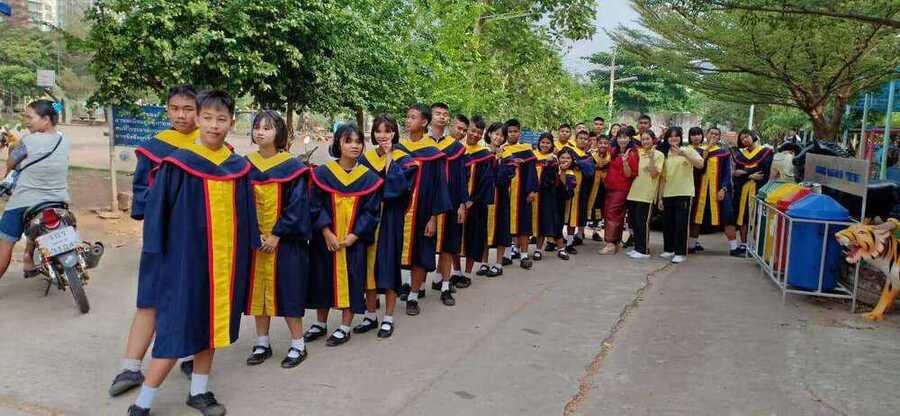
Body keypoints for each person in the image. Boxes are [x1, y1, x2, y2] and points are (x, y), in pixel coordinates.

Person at [128, 90, 254, 416]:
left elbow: (247, 217)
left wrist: (249, 254)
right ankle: (142, 402)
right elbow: (156, 214)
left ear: (232, 123)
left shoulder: (239, 167)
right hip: (185, 260)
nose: (214, 125)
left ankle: (198, 391)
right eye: (207, 118)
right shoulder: (177, 164)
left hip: (225, 264)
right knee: (176, 326)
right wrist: (158, 256)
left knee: (211, 325)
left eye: (221, 119)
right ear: (198, 119)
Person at [109, 86, 198, 397]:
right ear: (167, 109)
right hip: (161, 237)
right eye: (175, 108)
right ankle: (131, 366)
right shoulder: (153, 149)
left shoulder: (213, 150)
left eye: (188, 109)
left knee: (194, 296)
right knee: (150, 299)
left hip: (198, 240)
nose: (181, 115)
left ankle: (192, 355)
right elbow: (142, 195)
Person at [243, 110, 312, 369]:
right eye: (257, 127)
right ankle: (262, 342)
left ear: (279, 132)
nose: (260, 132)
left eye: (267, 128)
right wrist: (255, 234)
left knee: (288, 291)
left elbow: (297, 205)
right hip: (256, 241)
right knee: (258, 292)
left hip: (286, 242)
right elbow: (240, 204)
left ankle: (298, 345)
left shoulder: (293, 168)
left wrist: (276, 234)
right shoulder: (245, 166)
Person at [305, 124, 382, 347]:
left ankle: (345, 326)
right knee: (322, 278)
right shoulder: (323, 174)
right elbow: (314, 205)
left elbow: (371, 212)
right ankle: (320, 323)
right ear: (338, 144)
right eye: (348, 141)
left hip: (353, 242)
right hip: (325, 240)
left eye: (358, 141)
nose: (354, 146)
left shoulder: (368, 178)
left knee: (353, 279)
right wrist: (326, 231)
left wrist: (355, 235)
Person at [356, 114, 416, 338]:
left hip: (390, 218)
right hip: (369, 219)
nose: (382, 135)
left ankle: (388, 318)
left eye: (387, 131)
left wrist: (390, 154)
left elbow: (398, 187)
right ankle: (370, 315)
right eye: (378, 131)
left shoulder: (404, 158)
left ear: (394, 133)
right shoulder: (366, 159)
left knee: (389, 265)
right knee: (368, 267)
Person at [0, 100, 69, 279]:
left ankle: (24, 257)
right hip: (58, 200)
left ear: (46, 119)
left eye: (30, 118)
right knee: (36, 223)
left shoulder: (28, 140)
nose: (26, 122)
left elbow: (11, 162)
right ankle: (28, 257)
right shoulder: (63, 139)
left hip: (24, 200)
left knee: (5, 242)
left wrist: (12, 170)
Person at [395, 104, 452, 315]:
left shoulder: (434, 153)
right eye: (407, 116)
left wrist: (433, 218)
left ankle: (413, 296)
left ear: (424, 122)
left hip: (424, 211)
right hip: (398, 211)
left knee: (420, 253)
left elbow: (440, 186)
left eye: (413, 117)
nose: (408, 120)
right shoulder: (398, 149)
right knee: (392, 251)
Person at [433, 112, 469, 306]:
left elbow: (463, 178)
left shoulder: (457, 149)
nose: (442, 117)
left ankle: (445, 286)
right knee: (423, 244)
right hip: (427, 201)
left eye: (445, 115)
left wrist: (462, 203)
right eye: (437, 114)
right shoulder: (422, 145)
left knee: (447, 245)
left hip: (452, 201)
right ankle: (416, 287)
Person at [692, 127, 741, 255]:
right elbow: (697, 169)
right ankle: (691, 245)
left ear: (719, 137)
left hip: (719, 190)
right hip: (700, 190)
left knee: (727, 216)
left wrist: (724, 189)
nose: (714, 136)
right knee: (696, 217)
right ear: (706, 135)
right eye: (711, 133)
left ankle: (734, 248)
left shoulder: (723, 153)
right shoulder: (697, 151)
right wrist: (708, 148)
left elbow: (727, 173)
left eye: (716, 134)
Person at [658, 127, 703, 264]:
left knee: (681, 223)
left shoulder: (688, 150)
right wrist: (660, 197)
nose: (673, 138)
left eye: (676, 136)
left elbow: (700, 164)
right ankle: (669, 249)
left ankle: (680, 252)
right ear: (667, 138)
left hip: (684, 192)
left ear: (681, 138)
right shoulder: (665, 154)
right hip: (668, 193)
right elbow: (663, 178)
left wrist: (684, 154)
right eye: (670, 136)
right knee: (668, 223)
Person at [499, 119, 538, 269]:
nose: (512, 134)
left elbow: (532, 172)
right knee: (506, 223)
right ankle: (507, 255)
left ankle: (524, 255)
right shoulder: (502, 150)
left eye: (515, 131)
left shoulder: (526, 150)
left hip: (522, 193)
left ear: (519, 132)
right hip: (506, 193)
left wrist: (532, 191)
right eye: (510, 131)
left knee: (524, 224)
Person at [461, 116, 495, 282]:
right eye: (473, 130)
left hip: (476, 204)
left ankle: (467, 274)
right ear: (467, 129)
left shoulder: (485, 155)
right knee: (454, 239)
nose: (475, 135)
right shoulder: (457, 150)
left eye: (479, 132)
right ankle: (456, 272)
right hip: (456, 203)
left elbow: (486, 181)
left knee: (473, 238)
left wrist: (472, 200)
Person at [732, 129, 774, 255]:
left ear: (753, 136)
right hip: (742, 191)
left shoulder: (766, 152)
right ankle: (744, 244)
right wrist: (750, 175)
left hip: (759, 189)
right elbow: (736, 175)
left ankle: (759, 247)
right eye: (742, 139)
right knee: (743, 217)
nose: (744, 140)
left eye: (746, 137)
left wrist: (744, 173)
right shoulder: (740, 155)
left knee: (757, 218)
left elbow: (764, 172)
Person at [599, 126, 639, 255]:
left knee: (612, 213)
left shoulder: (632, 153)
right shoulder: (614, 150)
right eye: (620, 137)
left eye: (625, 137)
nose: (622, 140)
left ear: (630, 138)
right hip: (610, 187)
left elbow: (629, 175)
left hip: (621, 189)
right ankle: (616, 242)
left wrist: (625, 162)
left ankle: (610, 243)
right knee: (613, 214)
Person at [625, 130, 664, 259]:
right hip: (633, 192)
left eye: (648, 139)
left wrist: (651, 158)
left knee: (643, 223)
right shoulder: (639, 153)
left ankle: (644, 251)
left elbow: (654, 174)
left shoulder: (659, 154)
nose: (645, 141)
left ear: (653, 140)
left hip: (647, 194)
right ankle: (637, 248)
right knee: (635, 223)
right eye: (643, 139)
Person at [532, 133, 571, 260]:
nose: (545, 145)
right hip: (537, 196)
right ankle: (538, 249)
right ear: (539, 143)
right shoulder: (533, 156)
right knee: (541, 222)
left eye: (548, 143)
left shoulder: (554, 159)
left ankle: (561, 249)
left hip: (551, 195)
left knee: (555, 221)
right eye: (542, 142)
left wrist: (547, 163)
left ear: (552, 145)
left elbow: (552, 180)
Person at [482, 122, 512, 277]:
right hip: (484, 197)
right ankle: (484, 262)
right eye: (496, 133)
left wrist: (499, 159)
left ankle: (499, 264)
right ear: (489, 134)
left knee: (501, 228)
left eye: (502, 135)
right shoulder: (482, 152)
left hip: (501, 196)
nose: (498, 137)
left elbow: (505, 178)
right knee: (483, 228)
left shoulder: (507, 155)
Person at [562, 130, 596, 252]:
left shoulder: (588, 156)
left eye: (585, 139)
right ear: (575, 139)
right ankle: (555, 241)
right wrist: (576, 164)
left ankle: (569, 243)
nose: (583, 140)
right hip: (564, 189)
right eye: (580, 138)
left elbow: (590, 172)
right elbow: (563, 163)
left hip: (580, 191)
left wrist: (577, 163)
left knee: (573, 218)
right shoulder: (568, 150)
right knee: (561, 215)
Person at [685, 127, 707, 253]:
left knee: (696, 214)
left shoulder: (705, 151)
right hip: (686, 185)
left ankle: (693, 242)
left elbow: (703, 169)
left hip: (700, 186)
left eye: (698, 134)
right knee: (687, 214)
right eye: (693, 134)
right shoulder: (685, 150)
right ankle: (685, 241)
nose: (696, 137)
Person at [587, 135, 611, 241]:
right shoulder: (591, 155)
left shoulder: (611, 156)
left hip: (603, 186)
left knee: (599, 209)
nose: (603, 145)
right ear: (597, 144)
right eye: (600, 143)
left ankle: (595, 231)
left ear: (608, 144)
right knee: (586, 207)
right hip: (591, 186)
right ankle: (580, 232)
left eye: (605, 143)